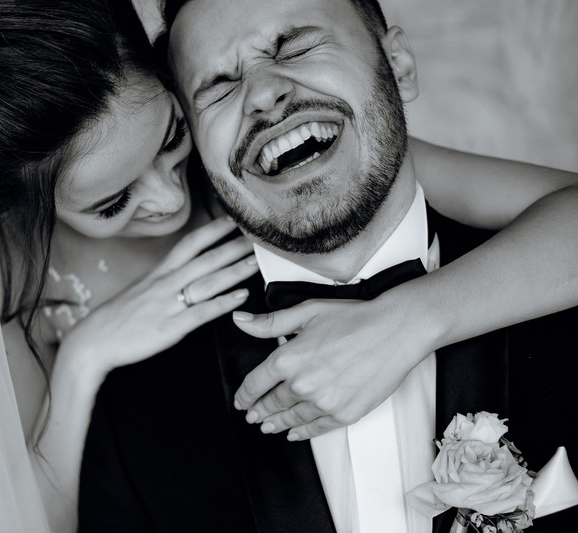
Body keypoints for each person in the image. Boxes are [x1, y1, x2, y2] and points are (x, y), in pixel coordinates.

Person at [0, 0, 578, 532]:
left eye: (173, 139)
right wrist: (84, 361)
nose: (171, 196)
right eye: (113, 202)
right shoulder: (3, 298)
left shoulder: (275, 161)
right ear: (29, 213)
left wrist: (411, 319)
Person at [78, 0, 578, 531]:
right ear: (200, 151)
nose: (263, 95)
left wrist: (413, 319)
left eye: (296, 47)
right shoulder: (136, 416)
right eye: (219, 87)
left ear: (398, 66)